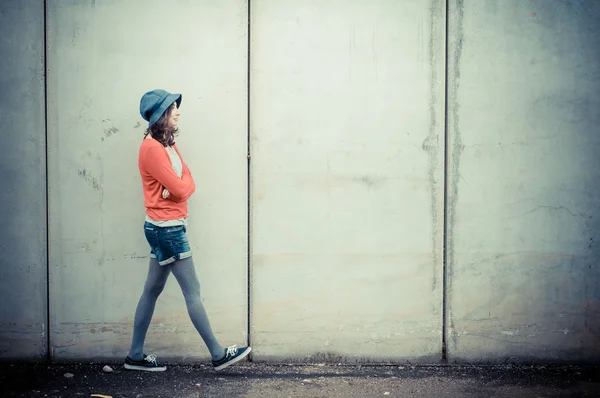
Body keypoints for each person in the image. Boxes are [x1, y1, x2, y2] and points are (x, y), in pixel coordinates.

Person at [124, 89, 251, 372]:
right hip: (167, 229)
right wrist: (178, 189)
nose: (178, 110)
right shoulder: (152, 149)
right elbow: (182, 188)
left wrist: (180, 189)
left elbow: (187, 182)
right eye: (173, 107)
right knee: (193, 291)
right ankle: (218, 354)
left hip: (164, 227)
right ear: (161, 115)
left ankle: (135, 355)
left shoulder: (166, 144)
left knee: (152, 290)